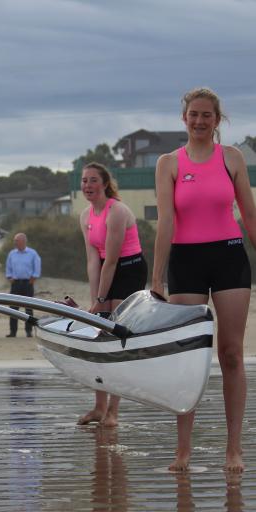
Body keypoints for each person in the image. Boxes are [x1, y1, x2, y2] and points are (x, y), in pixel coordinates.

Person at [152, 87, 256, 473]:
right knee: (188, 360)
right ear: (184, 118)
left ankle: (233, 449)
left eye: (206, 115)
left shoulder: (232, 158)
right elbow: (165, 221)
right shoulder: (168, 163)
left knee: (230, 354)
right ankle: (183, 451)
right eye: (193, 114)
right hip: (186, 261)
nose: (199, 121)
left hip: (229, 257)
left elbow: (249, 214)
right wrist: (157, 278)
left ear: (217, 120)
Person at [77, 162, 148, 427]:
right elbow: (93, 260)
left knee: (115, 339)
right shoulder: (85, 216)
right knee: (98, 336)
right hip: (107, 269)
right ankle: (99, 407)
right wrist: (94, 300)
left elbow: (112, 262)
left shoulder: (117, 211)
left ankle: (114, 413)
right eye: (84, 181)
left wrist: (101, 301)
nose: (87, 186)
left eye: (93, 180)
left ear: (105, 184)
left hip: (128, 269)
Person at [5, 233, 41, 337]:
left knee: (28, 309)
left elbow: (37, 266)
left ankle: (29, 331)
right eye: (14, 240)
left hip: (27, 283)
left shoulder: (32, 253)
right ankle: (13, 331)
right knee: (13, 308)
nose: (15, 242)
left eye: (17, 240)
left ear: (23, 241)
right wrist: (9, 277)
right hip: (15, 283)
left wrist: (33, 278)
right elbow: (8, 267)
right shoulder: (12, 253)